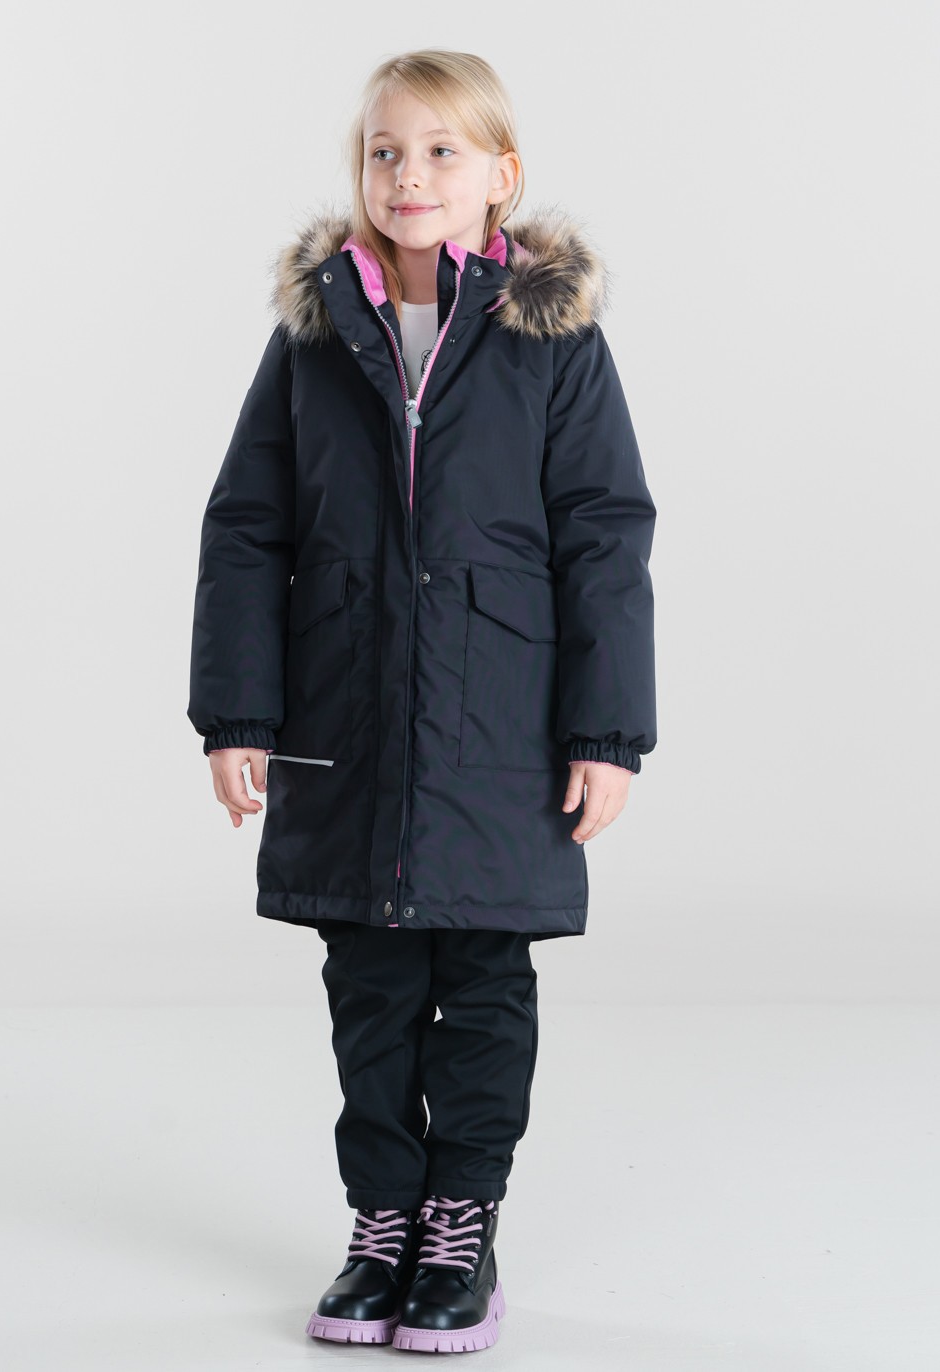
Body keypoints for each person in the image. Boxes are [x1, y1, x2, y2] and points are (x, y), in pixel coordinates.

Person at [187, 48, 657, 1354]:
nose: (409, 174)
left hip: (502, 726)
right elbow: (247, 528)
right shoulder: (315, 339)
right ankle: (384, 1218)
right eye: (385, 151)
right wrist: (238, 716)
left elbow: (604, 536)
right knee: (372, 983)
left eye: (442, 150)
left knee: (485, 981)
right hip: (348, 720)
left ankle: (462, 1223)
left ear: (502, 177)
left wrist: (606, 735)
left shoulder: (551, 344)